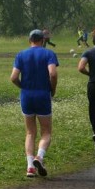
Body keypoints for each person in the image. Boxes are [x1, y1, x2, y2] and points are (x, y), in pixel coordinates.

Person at [10, 29, 59, 177]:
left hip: (27, 96)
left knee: (30, 132)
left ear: (29, 40)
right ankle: (40, 156)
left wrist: (23, 87)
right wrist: (53, 88)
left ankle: (30, 166)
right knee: (46, 131)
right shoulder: (48, 53)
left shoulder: (21, 54)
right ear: (43, 40)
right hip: (43, 95)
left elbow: (13, 77)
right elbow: (53, 73)